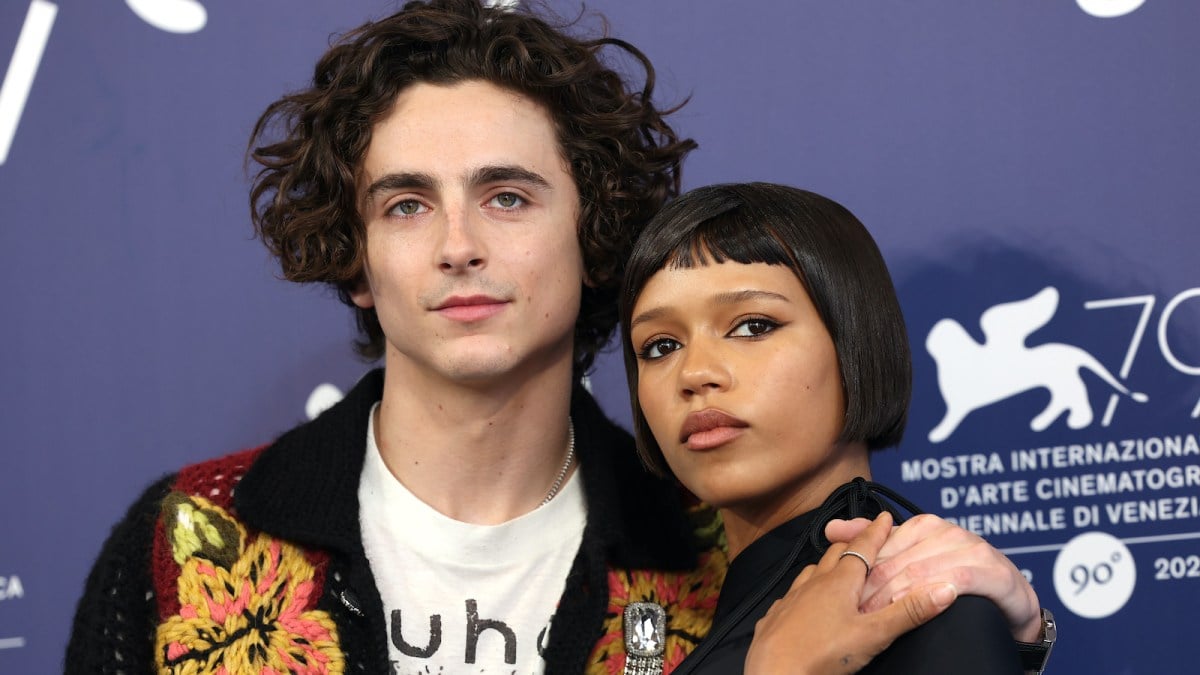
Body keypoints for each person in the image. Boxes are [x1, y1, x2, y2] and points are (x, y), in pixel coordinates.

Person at [65, 2, 1049, 673]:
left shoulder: (740, 550)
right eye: (407, 205)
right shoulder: (194, 539)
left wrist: (981, 632)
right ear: (357, 262)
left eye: (506, 195)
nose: (458, 246)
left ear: (595, 238)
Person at [620, 182, 1040, 674]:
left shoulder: (917, 602)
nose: (694, 373)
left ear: (856, 343)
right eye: (660, 346)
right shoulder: (661, 600)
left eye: (753, 326)